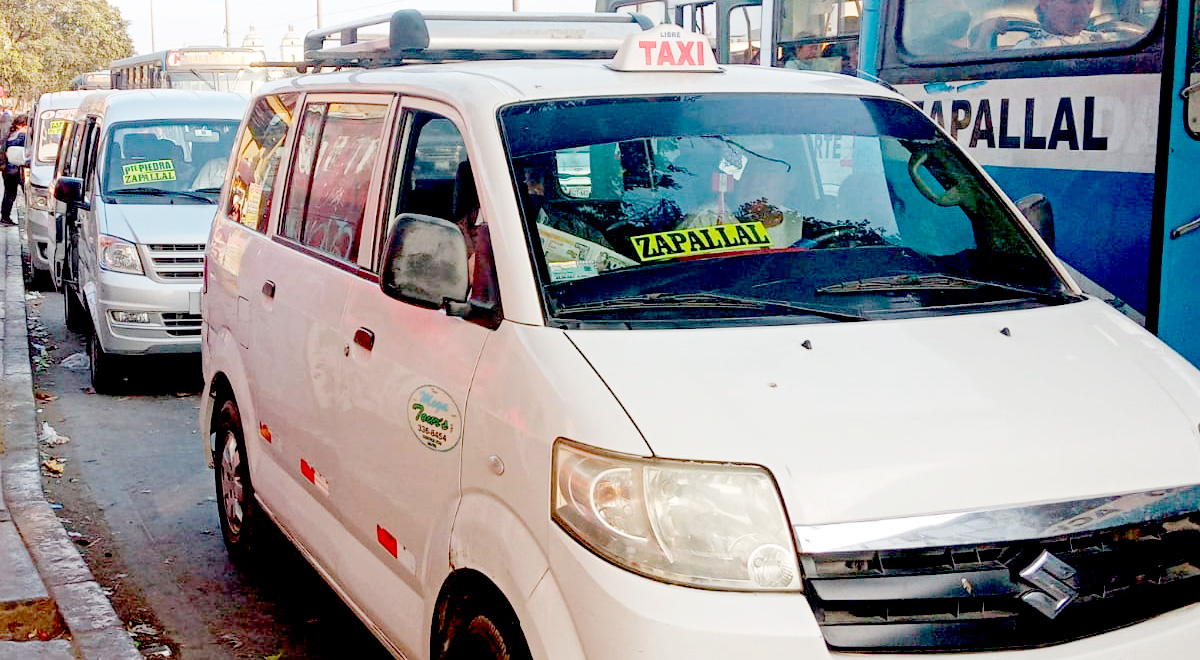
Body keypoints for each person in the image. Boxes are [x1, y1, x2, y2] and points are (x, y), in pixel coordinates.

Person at [1013, 0, 1119, 48]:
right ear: (1045, 3)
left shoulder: (1105, 42)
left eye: (1089, 2)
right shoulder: (1026, 51)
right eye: (1073, 1)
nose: (1083, 10)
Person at [1, 114, 29, 226]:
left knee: (9, 194)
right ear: (20, 125)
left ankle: (5, 217)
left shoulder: (9, 134)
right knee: (25, 193)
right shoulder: (21, 136)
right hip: (17, 170)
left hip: (8, 169)